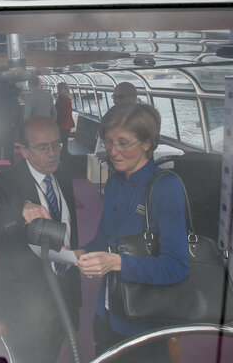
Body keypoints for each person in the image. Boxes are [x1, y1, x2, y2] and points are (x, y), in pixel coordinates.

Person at [76, 103, 188, 360]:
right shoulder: (115, 181)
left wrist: (117, 262)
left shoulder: (166, 187)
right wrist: (78, 254)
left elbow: (175, 267)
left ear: (147, 143)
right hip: (106, 312)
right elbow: (103, 240)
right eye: (108, 142)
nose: (113, 152)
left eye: (123, 143)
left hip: (144, 323)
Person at [0, 115, 81, 363]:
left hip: (64, 294)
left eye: (56, 145)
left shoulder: (63, 175)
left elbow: (69, 228)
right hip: (25, 301)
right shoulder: (5, 181)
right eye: (42, 147)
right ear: (23, 150)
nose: (52, 153)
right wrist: (20, 211)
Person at [95, 82, 139, 158]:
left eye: (121, 97)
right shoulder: (112, 115)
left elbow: (136, 147)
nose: (116, 100)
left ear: (134, 97)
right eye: (114, 97)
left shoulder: (140, 118)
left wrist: (110, 156)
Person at [55, 82, 75, 158]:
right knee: (62, 140)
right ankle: (63, 154)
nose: (59, 90)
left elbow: (66, 113)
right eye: (58, 89)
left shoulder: (66, 100)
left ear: (65, 89)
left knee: (63, 140)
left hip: (64, 124)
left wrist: (58, 114)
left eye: (60, 89)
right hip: (61, 123)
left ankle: (64, 154)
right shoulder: (61, 99)